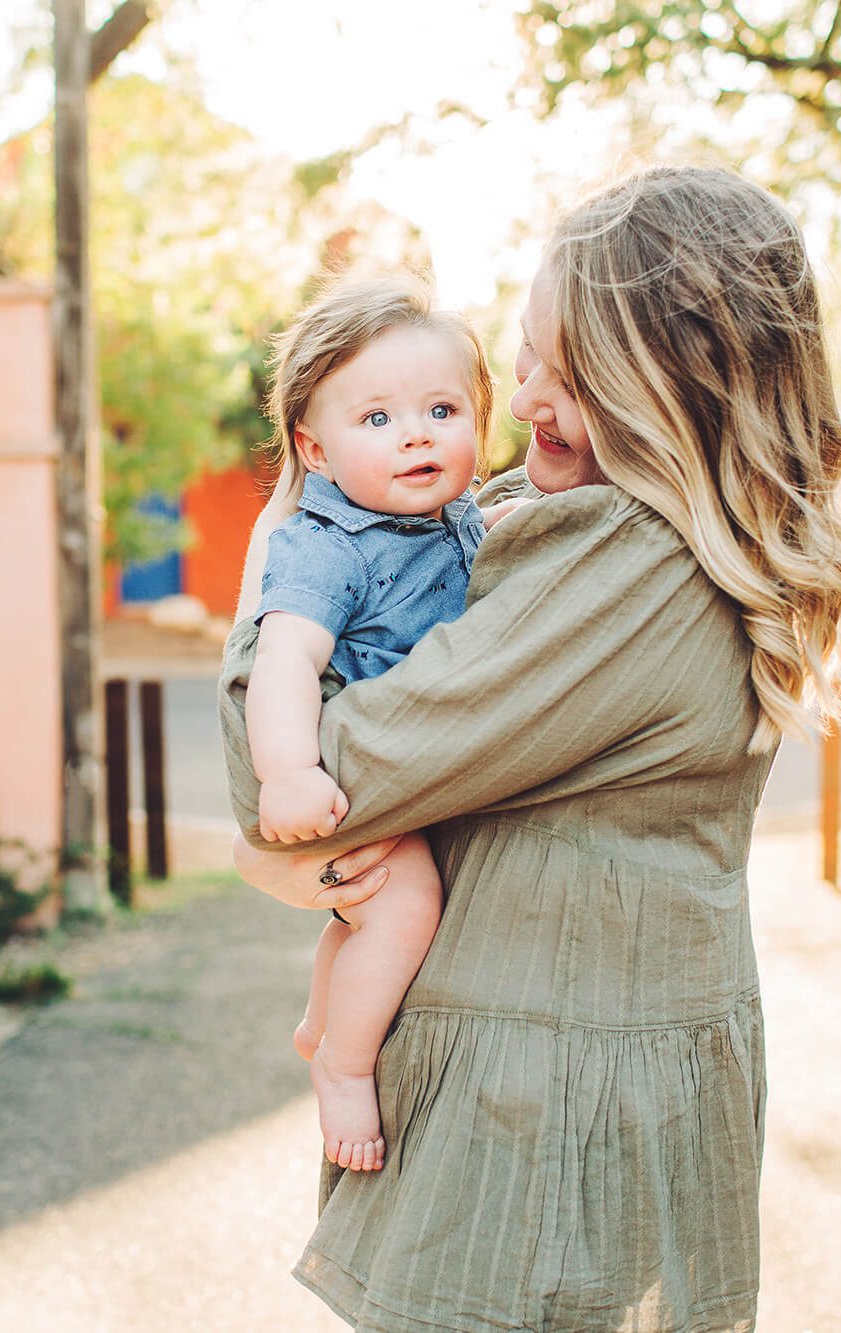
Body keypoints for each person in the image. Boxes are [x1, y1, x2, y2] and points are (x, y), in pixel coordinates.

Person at [221, 165, 841, 1330]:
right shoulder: (575, 517)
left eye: (556, 372)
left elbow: (295, 772)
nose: (519, 401)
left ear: (660, 388)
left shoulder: (630, 563)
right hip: (553, 1078)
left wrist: (293, 548)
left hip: (548, 1118)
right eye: (518, 362)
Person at [242, 275, 524, 1175]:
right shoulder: (328, 543)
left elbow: (484, 557)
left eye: (442, 409)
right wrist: (287, 774)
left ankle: (325, 1016)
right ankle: (344, 1064)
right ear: (313, 450)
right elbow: (282, 660)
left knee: (368, 918)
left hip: (418, 775)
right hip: (353, 784)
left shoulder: (454, 519)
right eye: (376, 420)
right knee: (405, 907)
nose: (414, 434)